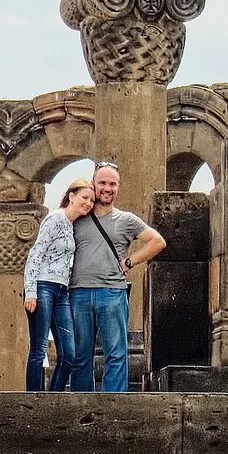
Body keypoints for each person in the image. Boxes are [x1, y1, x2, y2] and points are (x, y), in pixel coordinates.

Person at [69, 161, 167, 392]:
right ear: (93, 185)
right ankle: (82, 401)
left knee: (116, 352)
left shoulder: (126, 219)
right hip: (79, 291)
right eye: (102, 183)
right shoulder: (78, 216)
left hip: (112, 291)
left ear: (118, 187)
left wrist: (131, 261)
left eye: (112, 184)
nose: (107, 188)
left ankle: (112, 403)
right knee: (80, 354)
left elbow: (157, 241)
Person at [22, 179, 95, 392]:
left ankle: (53, 395)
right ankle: (33, 397)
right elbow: (35, 254)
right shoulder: (55, 218)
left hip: (62, 291)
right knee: (39, 348)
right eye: (84, 197)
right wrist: (31, 291)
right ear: (71, 196)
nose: (88, 203)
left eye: (91, 200)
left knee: (69, 353)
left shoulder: (73, 226)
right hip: (43, 286)